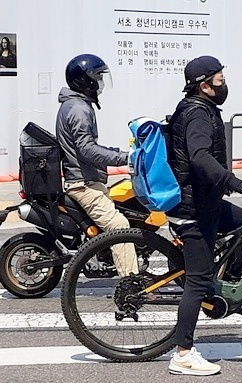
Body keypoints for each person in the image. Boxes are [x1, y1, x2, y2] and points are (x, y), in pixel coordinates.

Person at [165, 55, 242, 376]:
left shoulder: (200, 108)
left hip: (207, 203)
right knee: (197, 280)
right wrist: (235, 182)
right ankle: (182, 354)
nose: (224, 86)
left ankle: (227, 287)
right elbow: (199, 157)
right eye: (219, 81)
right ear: (204, 86)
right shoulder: (197, 115)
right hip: (191, 209)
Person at [56, 54, 138, 276]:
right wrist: (127, 158)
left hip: (88, 180)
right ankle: (131, 281)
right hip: (83, 184)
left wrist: (117, 153)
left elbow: (88, 146)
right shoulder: (79, 109)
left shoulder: (77, 105)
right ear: (85, 80)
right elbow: (87, 150)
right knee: (120, 227)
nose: (101, 82)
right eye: (98, 77)